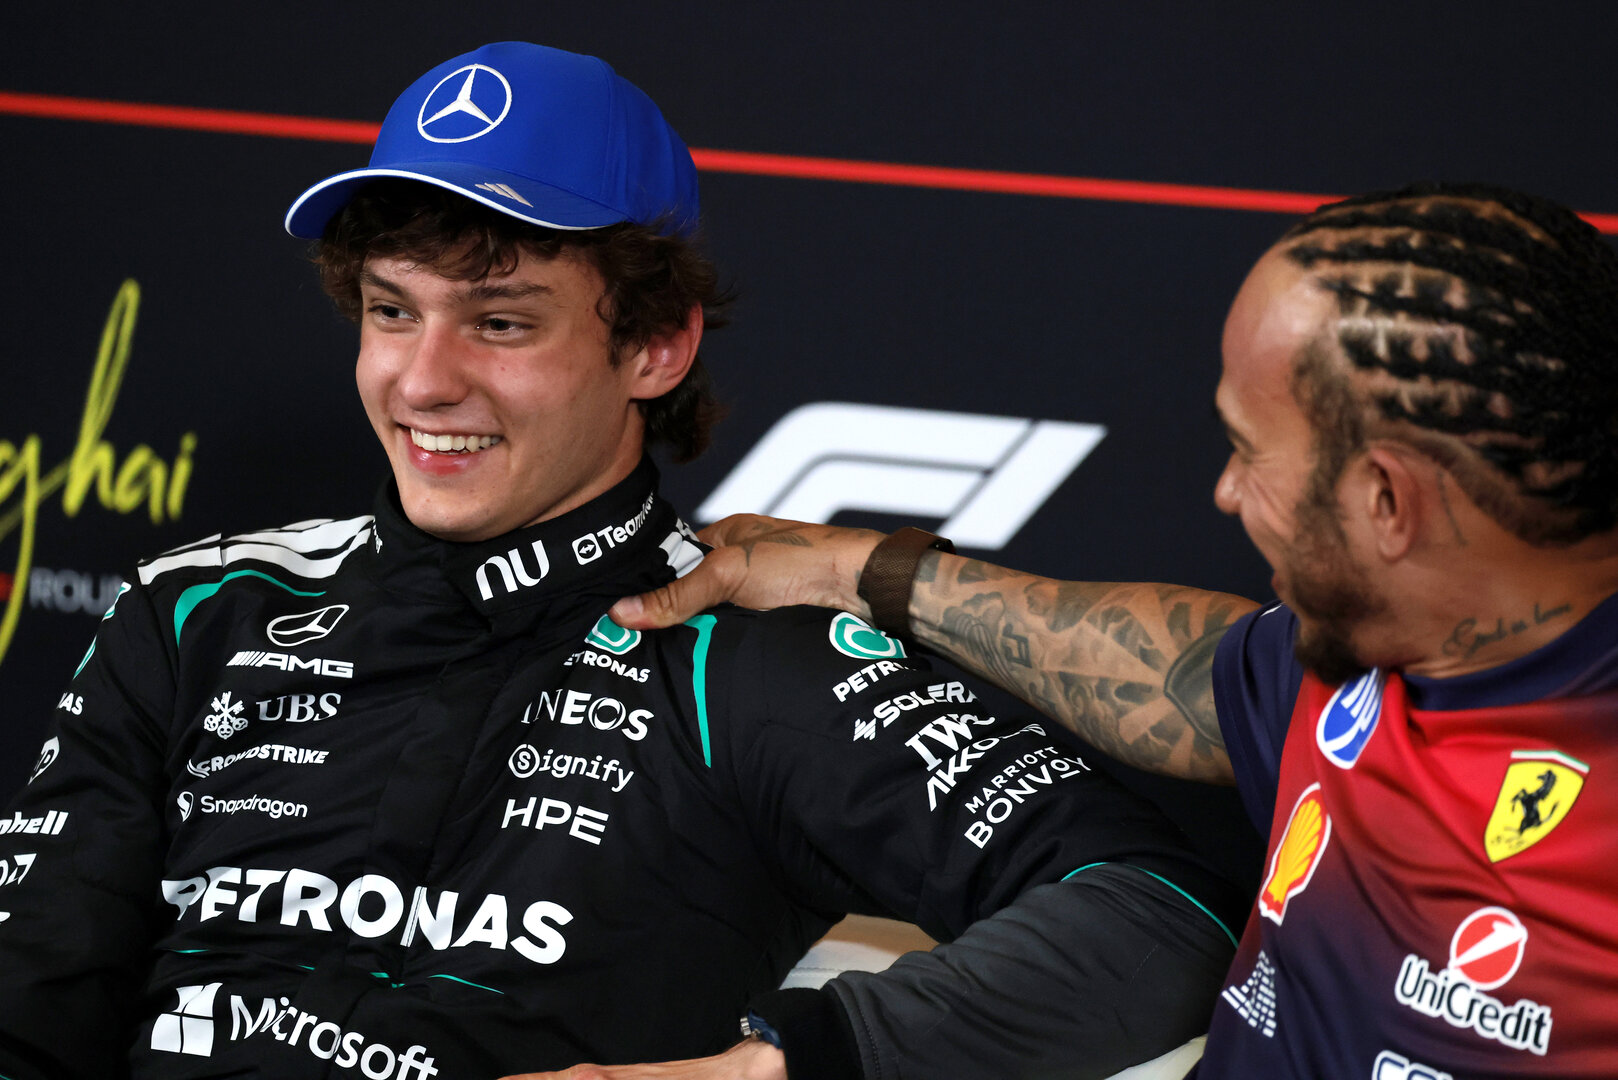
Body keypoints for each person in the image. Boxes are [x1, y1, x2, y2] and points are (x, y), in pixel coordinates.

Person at [0, 42, 1248, 1080]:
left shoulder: (745, 656)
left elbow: (1164, 914)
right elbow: (32, 997)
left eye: (500, 321)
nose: (422, 379)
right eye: (391, 310)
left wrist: (784, 1066)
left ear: (654, 345)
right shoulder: (198, 609)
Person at [613, 182, 1618, 1077]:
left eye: (1248, 451)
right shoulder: (1364, 650)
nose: (1224, 493)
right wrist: (859, 570)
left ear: (1386, 501)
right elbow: (1181, 668)